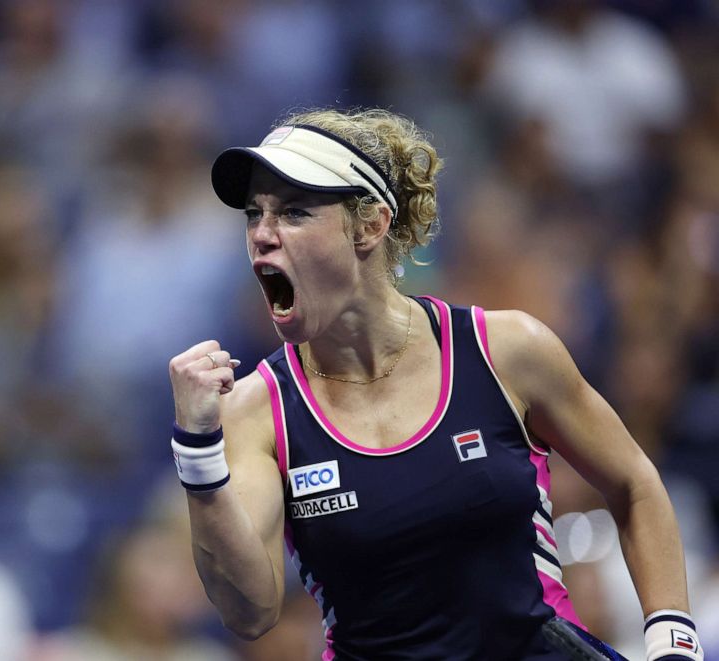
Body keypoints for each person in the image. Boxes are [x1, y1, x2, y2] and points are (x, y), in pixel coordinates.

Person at [167, 108, 704, 660]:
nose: (261, 235)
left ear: (371, 225)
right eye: (255, 214)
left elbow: (635, 485)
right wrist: (198, 454)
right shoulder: (257, 409)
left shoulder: (506, 350)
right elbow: (250, 612)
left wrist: (672, 642)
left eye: (295, 212)